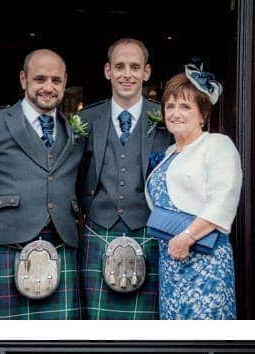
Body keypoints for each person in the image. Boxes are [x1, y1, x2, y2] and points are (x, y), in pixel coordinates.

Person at [0, 49, 84, 319]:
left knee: (57, 345)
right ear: (23, 79)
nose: (48, 87)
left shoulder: (74, 131)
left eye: (56, 81)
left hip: (60, 247)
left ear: (65, 82)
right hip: (5, 246)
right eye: (40, 79)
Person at [78, 38, 172, 319]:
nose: (126, 74)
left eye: (134, 67)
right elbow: (74, 173)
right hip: (98, 230)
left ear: (146, 72)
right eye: (119, 66)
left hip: (148, 231)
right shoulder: (86, 118)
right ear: (108, 71)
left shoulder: (166, 118)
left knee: (145, 325)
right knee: (96, 324)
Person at [145, 64, 242, 319]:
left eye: (185, 107)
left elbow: (222, 200)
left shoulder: (217, 145)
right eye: (170, 106)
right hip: (171, 262)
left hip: (205, 261)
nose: (176, 113)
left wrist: (187, 237)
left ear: (203, 115)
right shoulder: (168, 154)